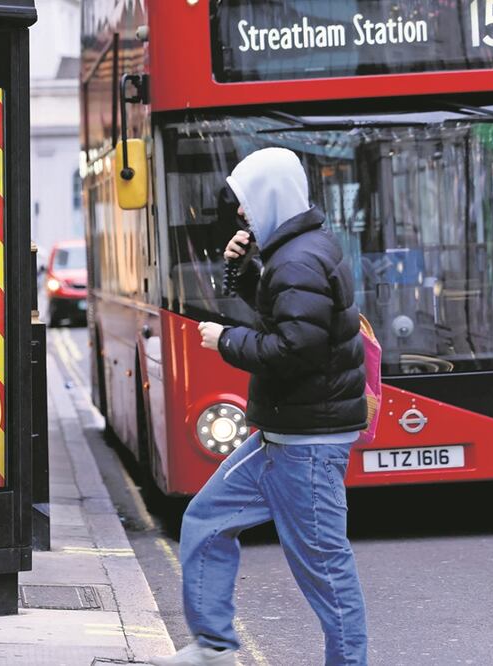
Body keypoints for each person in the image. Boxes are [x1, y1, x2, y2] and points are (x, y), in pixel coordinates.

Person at [152, 148, 368, 666]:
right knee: (205, 520)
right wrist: (243, 272)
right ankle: (215, 647)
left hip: (306, 446)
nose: (242, 213)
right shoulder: (294, 252)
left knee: (325, 569)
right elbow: (290, 316)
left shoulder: (299, 258)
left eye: (248, 201)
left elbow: (295, 349)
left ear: (269, 198)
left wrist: (225, 340)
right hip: (280, 435)